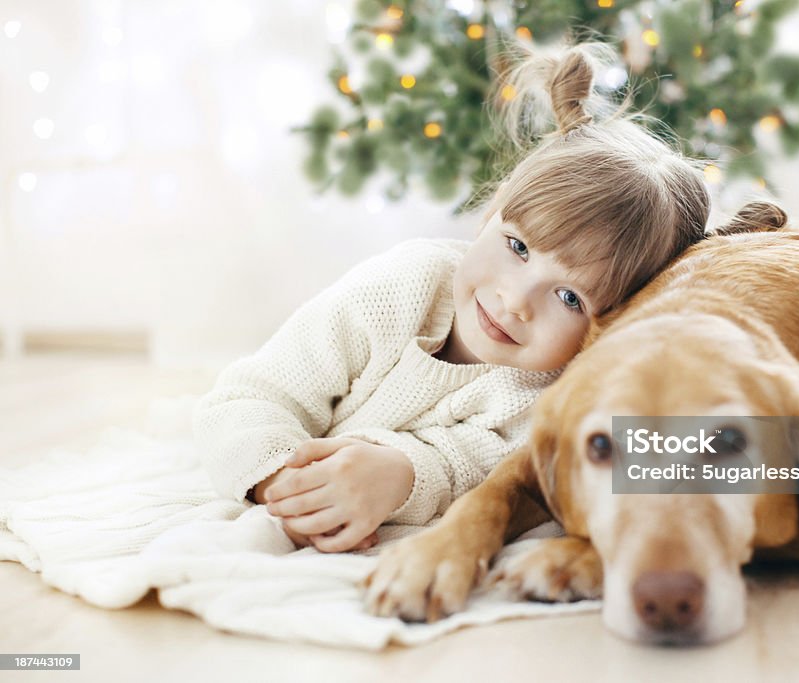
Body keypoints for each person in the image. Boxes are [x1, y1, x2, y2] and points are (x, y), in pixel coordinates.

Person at [192, 39, 712, 553]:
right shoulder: (402, 286)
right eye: (518, 246)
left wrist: (401, 475)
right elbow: (250, 396)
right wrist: (287, 485)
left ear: (611, 321)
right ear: (494, 212)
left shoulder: (554, 393)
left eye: (570, 297)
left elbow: (482, 467)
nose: (515, 301)